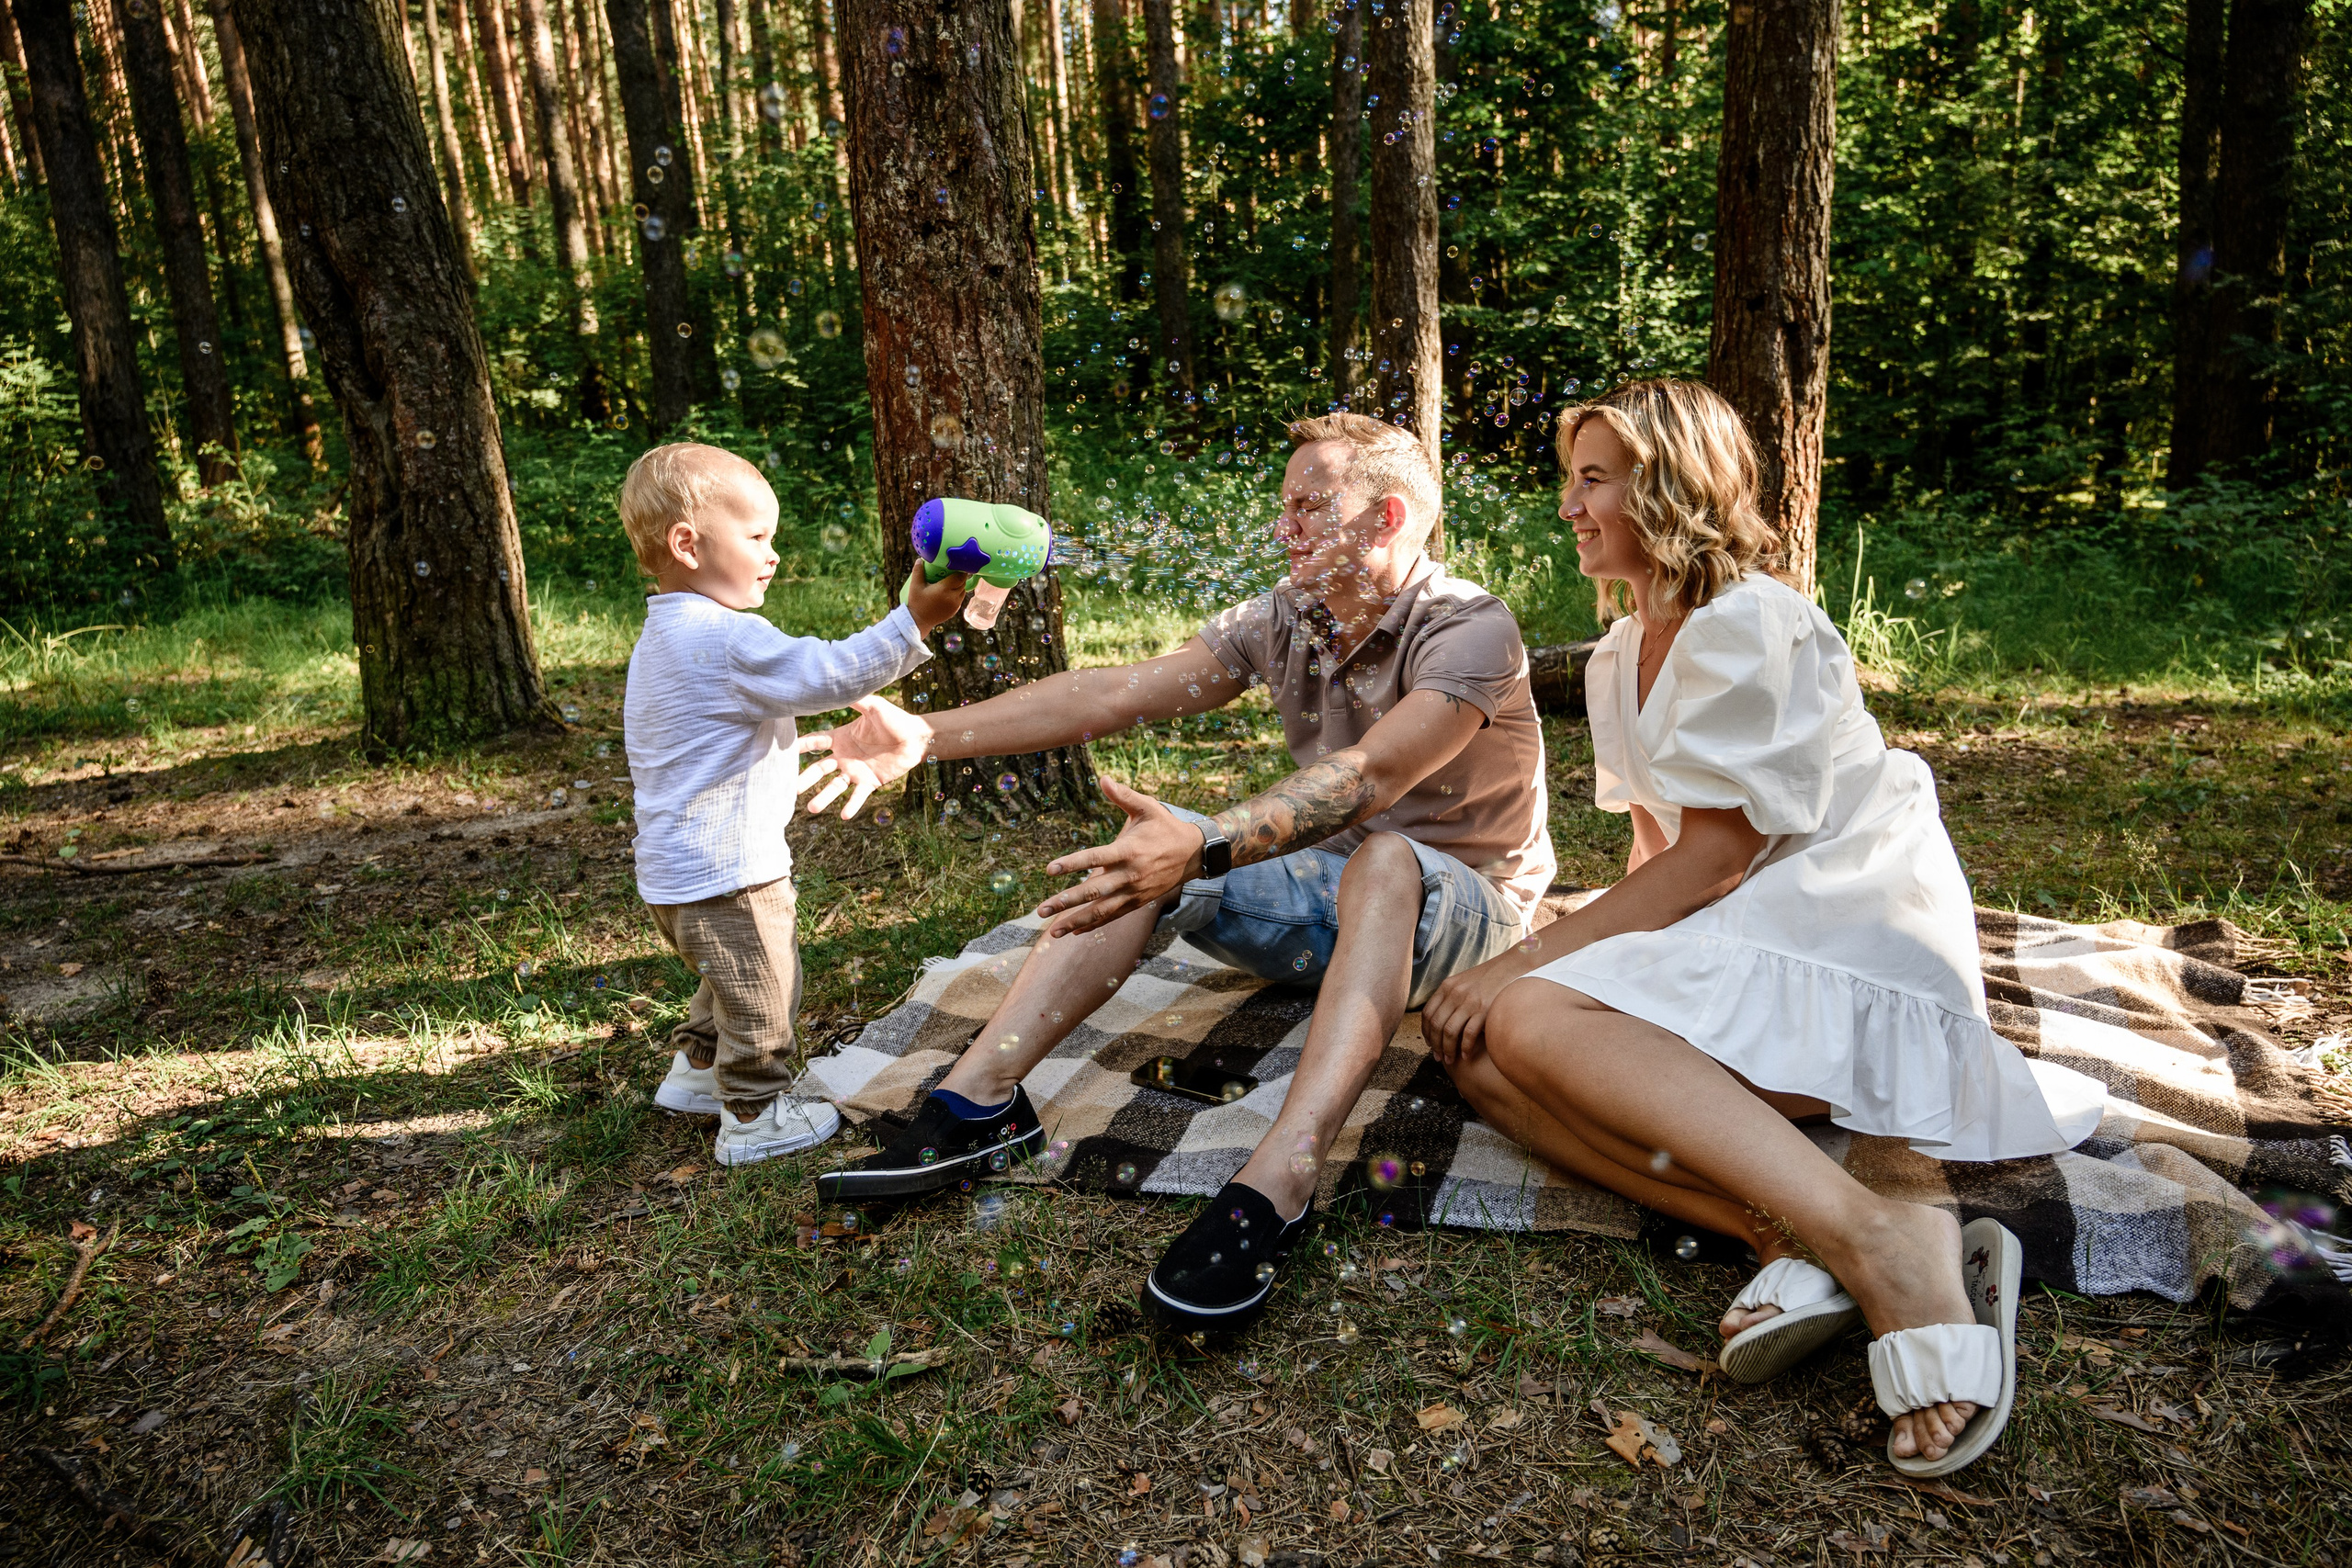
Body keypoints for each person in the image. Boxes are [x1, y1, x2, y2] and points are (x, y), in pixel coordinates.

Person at [1417, 379, 2105, 1476]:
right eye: (1570, 480)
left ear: (1673, 485)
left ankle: (1886, 1239)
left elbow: (1719, 856)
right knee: (1481, 1058)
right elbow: (1660, 851)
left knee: (1530, 1016)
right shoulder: (1616, 652)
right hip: (1748, 923)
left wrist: (1528, 962)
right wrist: (1600, 972)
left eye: (1593, 480)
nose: (1568, 508)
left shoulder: (1747, 622)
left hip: (1841, 931)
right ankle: (1783, 1231)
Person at [808, 412, 1557, 1329]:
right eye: (1282, 508)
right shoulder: (1283, 615)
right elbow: (1119, 690)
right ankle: (978, 1107)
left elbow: (1376, 776)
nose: (1283, 529)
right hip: (1331, 903)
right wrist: (927, 737)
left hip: (1467, 919)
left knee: (1373, 856)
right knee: (1151, 852)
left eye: (1309, 508)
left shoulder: (1468, 629)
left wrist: (1204, 846)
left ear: (1387, 518)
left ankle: (1279, 1177)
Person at [622, 443, 971, 1167]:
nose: (773, 554)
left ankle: (694, 1073)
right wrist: (914, 621)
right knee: (764, 983)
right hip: (732, 873)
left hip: (672, 874)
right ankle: (752, 1111)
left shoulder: (664, 633)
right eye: (756, 537)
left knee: (724, 976)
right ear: (687, 544)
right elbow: (830, 670)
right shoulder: (725, 636)